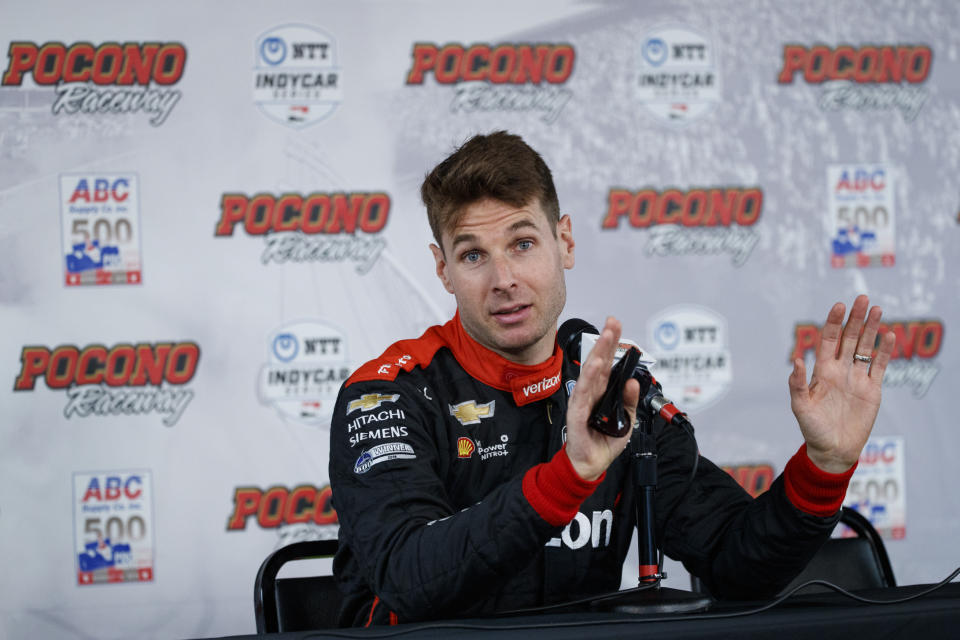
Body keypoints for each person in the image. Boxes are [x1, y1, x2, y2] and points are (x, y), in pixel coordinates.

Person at [328, 131, 895, 627]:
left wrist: (825, 466)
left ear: (565, 242)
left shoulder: (618, 393)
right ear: (442, 270)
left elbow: (735, 565)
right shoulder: (387, 396)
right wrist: (569, 476)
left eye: (523, 244)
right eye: (473, 256)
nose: (503, 278)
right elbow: (408, 579)